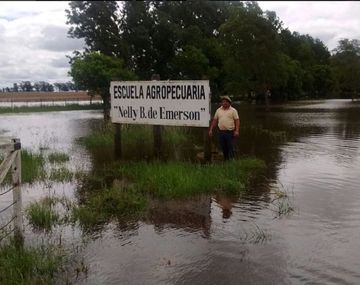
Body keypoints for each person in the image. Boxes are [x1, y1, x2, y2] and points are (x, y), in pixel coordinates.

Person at [208, 96, 240, 160]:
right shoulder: (218, 110)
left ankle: (232, 160)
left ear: (229, 103)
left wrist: (237, 130)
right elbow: (215, 120)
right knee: (223, 147)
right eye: (223, 102)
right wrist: (211, 129)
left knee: (230, 147)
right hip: (221, 132)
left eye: (226, 102)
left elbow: (237, 120)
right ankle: (226, 160)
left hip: (230, 132)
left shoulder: (233, 110)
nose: (224, 103)